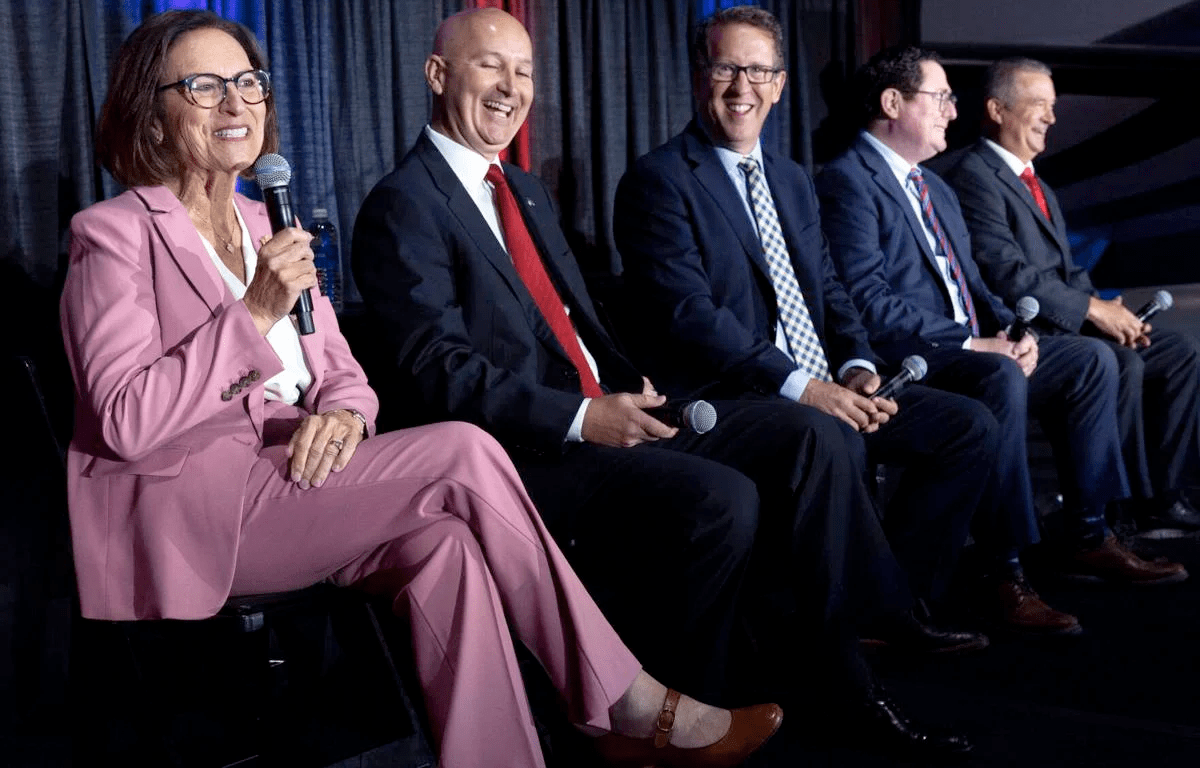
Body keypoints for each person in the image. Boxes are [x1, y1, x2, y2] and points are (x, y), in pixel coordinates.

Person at [60, 11, 782, 768]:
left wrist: (344, 414)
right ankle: (622, 700)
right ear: (152, 110)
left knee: (446, 548)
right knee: (462, 451)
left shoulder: (262, 221)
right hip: (197, 514)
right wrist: (254, 314)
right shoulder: (112, 235)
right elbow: (124, 419)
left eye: (248, 82)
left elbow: (343, 371)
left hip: (296, 476)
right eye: (205, 86)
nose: (236, 102)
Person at [352, 7, 972, 760]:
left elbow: (574, 324)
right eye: (490, 66)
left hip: (616, 406)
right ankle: (677, 722)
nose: (511, 88)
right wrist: (583, 417)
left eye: (524, 71)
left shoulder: (521, 188)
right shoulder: (404, 204)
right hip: (522, 452)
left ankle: (850, 656)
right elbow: (437, 370)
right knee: (723, 499)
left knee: (813, 435)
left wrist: (627, 386)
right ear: (436, 74)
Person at [614, 5, 1000, 634]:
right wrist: (803, 387)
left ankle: (896, 600)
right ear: (699, 75)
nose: (742, 87)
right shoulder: (658, 180)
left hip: (821, 383)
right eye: (726, 68)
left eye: (759, 71)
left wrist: (854, 366)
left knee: (968, 426)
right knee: (830, 434)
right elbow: (692, 316)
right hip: (734, 394)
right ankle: (871, 619)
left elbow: (830, 288)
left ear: (780, 84)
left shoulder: (792, 179)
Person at [815, 46, 1187, 611]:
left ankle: (1089, 533)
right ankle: (1002, 567)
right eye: (941, 98)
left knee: (1090, 360)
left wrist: (1017, 332)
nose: (952, 111)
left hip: (970, 347)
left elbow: (975, 286)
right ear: (892, 103)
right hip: (912, 356)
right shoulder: (848, 180)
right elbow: (867, 303)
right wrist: (974, 343)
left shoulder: (932, 186)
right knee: (998, 374)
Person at [942, 57, 1200, 534]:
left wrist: (1111, 311)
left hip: (1070, 321)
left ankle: (1164, 497)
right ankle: (1116, 513)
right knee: (1121, 362)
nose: (1051, 117)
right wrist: (1092, 310)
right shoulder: (973, 176)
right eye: (1039, 104)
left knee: (1177, 352)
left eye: (1053, 105)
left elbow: (1066, 270)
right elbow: (1007, 275)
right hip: (1033, 333)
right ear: (997, 109)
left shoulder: (1035, 182)